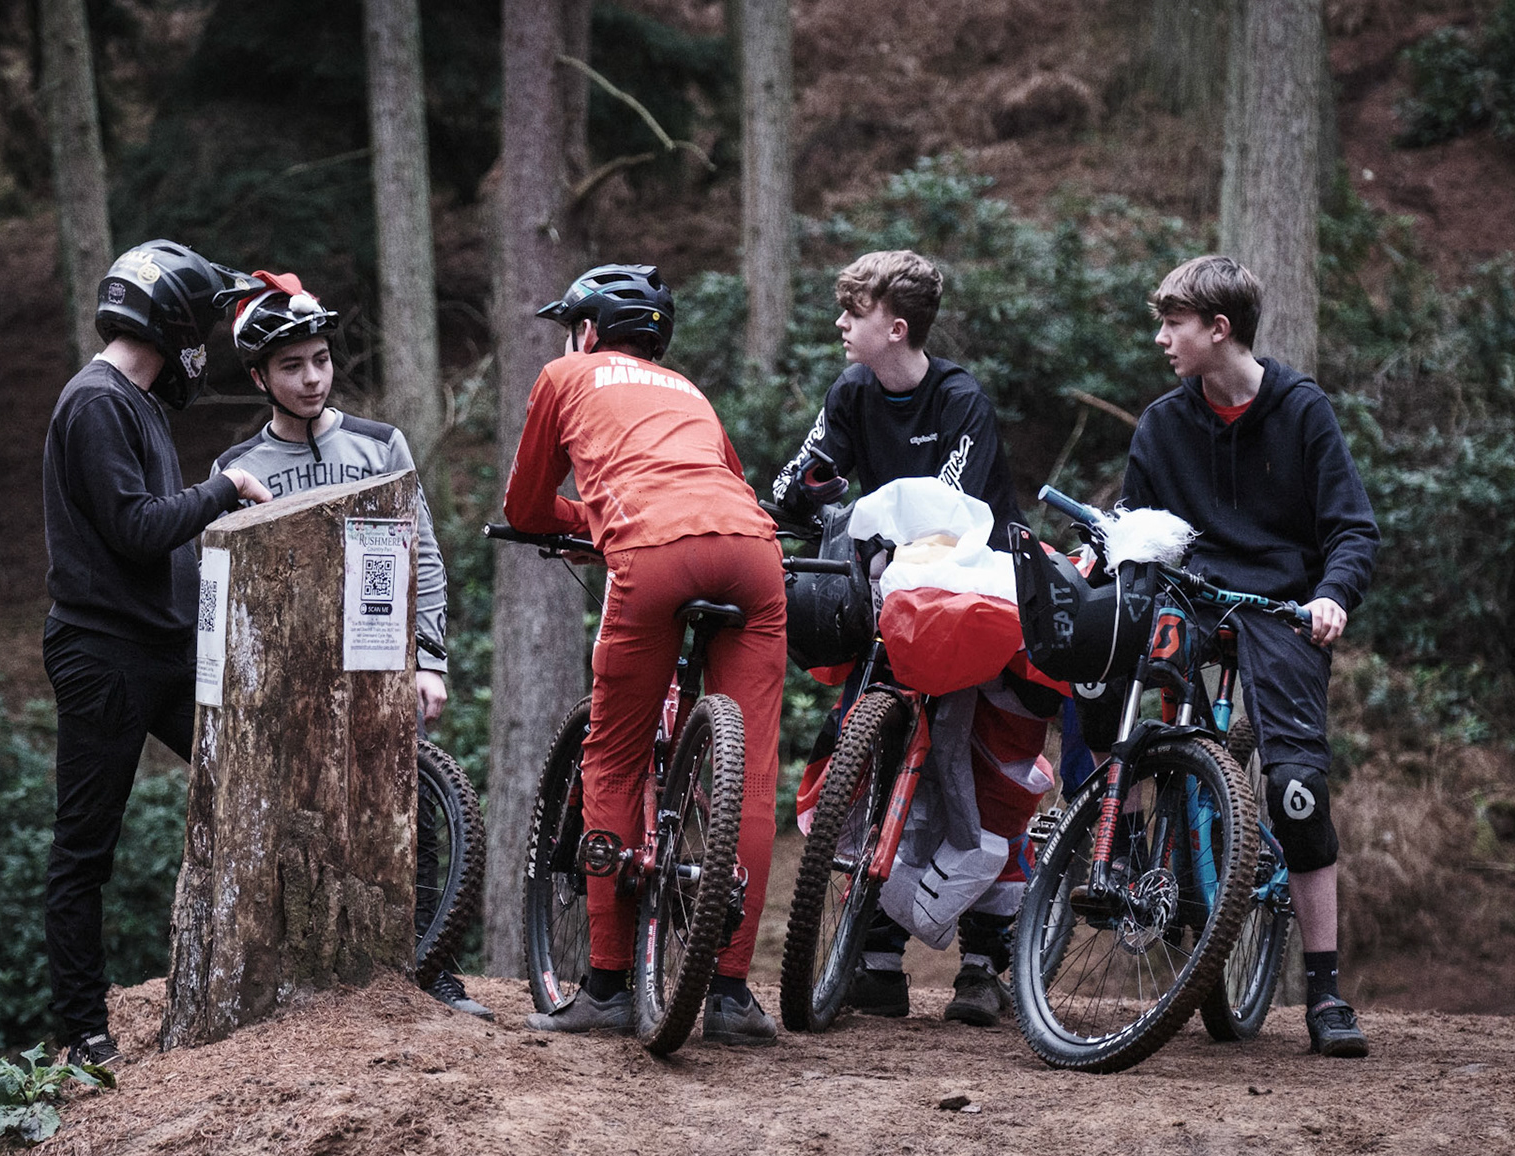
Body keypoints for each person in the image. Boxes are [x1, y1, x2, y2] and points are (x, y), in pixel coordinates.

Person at [770, 249, 1055, 1028]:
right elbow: (801, 478)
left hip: (979, 596)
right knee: (869, 752)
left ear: (895, 328)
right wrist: (802, 494)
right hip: (893, 594)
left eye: (853, 312)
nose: (839, 323)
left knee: (982, 770)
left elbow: (951, 511)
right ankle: (875, 958)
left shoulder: (960, 400)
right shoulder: (853, 390)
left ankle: (983, 964)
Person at [503, 264, 787, 1046]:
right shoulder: (689, 391)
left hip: (654, 551)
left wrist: (591, 522)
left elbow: (526, 507)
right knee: (752, 772)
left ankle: (604, 987)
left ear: (588, 330)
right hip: (754, 554)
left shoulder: (565, 375)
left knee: (615, 756)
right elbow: (724, 482)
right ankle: (730, 995)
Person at [209, 272, 488, 1021]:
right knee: (295, 823)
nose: (311, 378)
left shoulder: (379, 443)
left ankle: (434, 970)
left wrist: (430, 661)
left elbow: (424, 556)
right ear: (259, 377)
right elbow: (220, 586)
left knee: (408, 813)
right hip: (287, 678)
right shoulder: (237, 467)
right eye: (291, 366)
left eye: (322, 360)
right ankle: (300, 982)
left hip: (379, 661)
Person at [1126, 254, 1379, 1057]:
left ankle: (1325, 992)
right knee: (1108, 680)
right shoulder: (1162, 425)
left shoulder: (1301, 411)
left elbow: (1352, 529)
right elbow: (1136, 529)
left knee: (1296, 792)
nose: (1162, 338)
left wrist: (1332, 595)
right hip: (1191, 597)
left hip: (1282, 608)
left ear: (1219, 329)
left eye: (1174, 324)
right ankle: (1124, 853)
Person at [42, 240, 272, 1067]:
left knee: (253, 772)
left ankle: (259, 973)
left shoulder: (136, 403)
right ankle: (83, 1031)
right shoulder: (96, 403)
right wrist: (223, 488)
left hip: (164, 650)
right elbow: (137, 529)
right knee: (85, 849)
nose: (200, 350)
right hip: (104, 655)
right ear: (170, 323)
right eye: (199, 329)